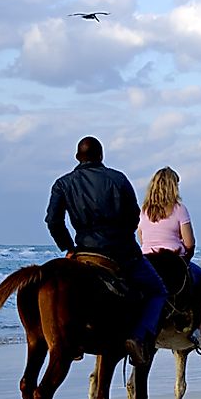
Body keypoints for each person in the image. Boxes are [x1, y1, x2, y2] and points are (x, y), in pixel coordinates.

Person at [45, 136, 167, 365]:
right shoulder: (118, 179)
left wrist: (68, 247)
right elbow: (133, 217)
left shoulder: (63, 183)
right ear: (101, 156)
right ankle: (137, 337)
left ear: (77, 158)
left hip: (83, 251)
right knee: (158, 290)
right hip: (120, 252)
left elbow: (53, 220)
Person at [136, 167, 201, 349]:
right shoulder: (179, 209)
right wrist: (185, 256)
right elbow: (190, 242)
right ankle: (199, 331)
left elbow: (141, 238)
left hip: (147, 262)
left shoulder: (144, 210)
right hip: (173, 262)